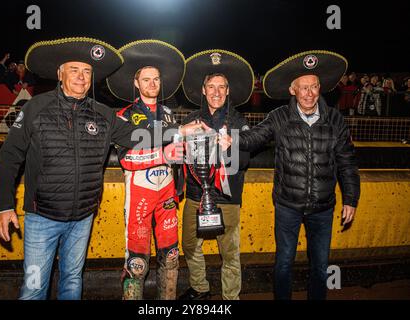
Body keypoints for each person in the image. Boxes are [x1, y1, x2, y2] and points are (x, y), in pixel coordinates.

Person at [0, 37, 202, 300]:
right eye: (74, 70)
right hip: (41, 217)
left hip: (82, 217)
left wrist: (179, 129)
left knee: (72, 281)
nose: (81, 77)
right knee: (34, 287)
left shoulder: (103, 113)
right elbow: (9, 156)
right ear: (60, 73)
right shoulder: (36, 107)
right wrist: (3, 204)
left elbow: (141, 133)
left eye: (87, 71)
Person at [220, 50, 360, 300]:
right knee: (284, 263)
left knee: (320, 267)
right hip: (288, 206)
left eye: (314, 87)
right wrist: (233, 139)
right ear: (293, 90)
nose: (309, 93)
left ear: (321, 88)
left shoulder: (335, 120)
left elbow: (347, 161)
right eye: (303, 87)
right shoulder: (279, 117)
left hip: (323, 208)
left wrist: (351, 198)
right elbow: (255, 138)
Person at [106, 40, 188, 300]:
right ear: (136, 83)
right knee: (137, 262)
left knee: (171, 257)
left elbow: (179, 153)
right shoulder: (125, 115)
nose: (152, 84)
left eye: (156, 79)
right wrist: (162, 154)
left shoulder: (169, 114)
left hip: (167, 196)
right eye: (146, 79)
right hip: (139, 194)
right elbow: (126, 159)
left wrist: (179, 185)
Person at [179, 50, 253, 300]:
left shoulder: (239, 122)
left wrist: (230, 146)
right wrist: (181, 135)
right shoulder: (190, 120)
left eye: (222, 87)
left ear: (228, 91)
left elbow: (244, 161)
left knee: (230, 253)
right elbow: (175, 153)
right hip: (195, 195)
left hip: (227, 197)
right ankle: (200, 287)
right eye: (211, 86)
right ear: (203, 90)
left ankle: (231, 297)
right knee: (189, 245)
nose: (217, 92)